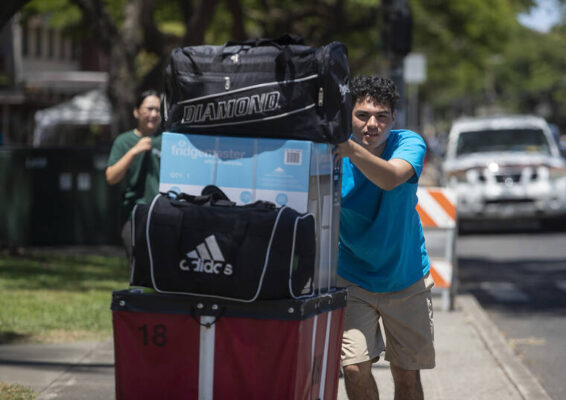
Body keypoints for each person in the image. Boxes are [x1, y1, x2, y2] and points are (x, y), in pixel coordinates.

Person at [332, 75, 435, 400]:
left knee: (406, 375)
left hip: (405, 278)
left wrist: (351, 151)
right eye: (362, 115)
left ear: (393, 119)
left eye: (382, 116)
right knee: (353, 367)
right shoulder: (332, 150)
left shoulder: (409, 143)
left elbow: (391, 178)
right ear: (349, 115)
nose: (372, 124)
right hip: (353, 277)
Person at [106, 90, 162, 260]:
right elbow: (111, 177)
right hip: (134, 215)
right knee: (138, 269)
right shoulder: (124, 141)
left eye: (158, 110)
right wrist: (133, 152)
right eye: (149, 109)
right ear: (136, 111)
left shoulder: (170, 140)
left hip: (164, 216)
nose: (153, 114)